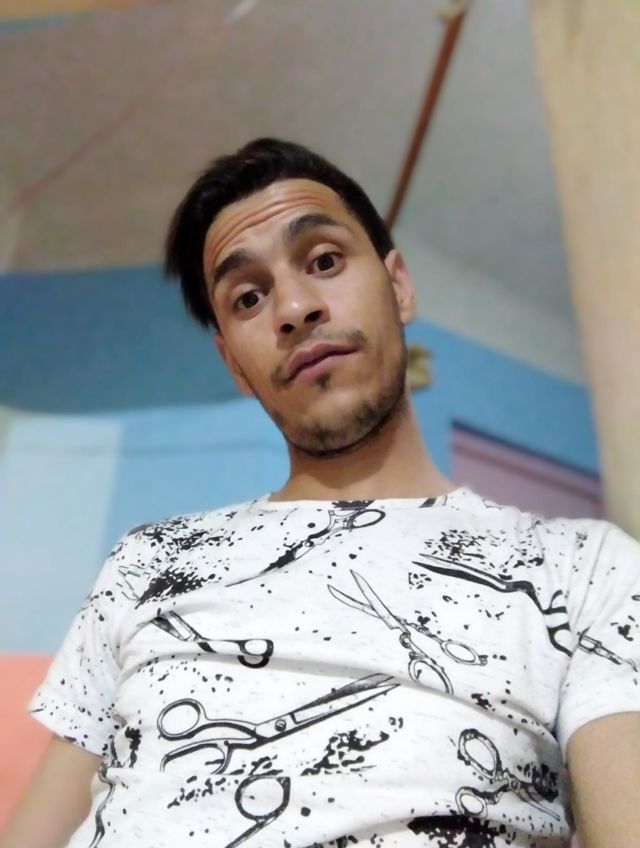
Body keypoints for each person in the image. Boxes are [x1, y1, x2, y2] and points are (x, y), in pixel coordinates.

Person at [2, 138, 639, 848]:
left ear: (399, 286)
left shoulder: (585, 569)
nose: (295, 308)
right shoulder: (149, 562)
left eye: (325, 261)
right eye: (248, 297)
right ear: (233, 365)